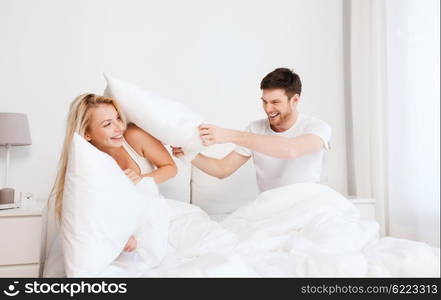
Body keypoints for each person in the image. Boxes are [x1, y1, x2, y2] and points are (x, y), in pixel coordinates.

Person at [50, 93, 177, 252]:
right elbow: (94, 207)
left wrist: (141, 179)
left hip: (153, 211)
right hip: (120, 219)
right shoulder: (89, 161)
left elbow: (170, 167)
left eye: (118, 118)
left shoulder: (134, 136)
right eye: (107, 124)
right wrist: (119, 233)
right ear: (87, 134)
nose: (119, 128)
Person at [172, 67, 331, 193]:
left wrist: (228, 135)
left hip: (307, 204)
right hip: (272, 208)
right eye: (265, 102)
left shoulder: (317, 128)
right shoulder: (255, 129)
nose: (268, 109)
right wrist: (190, 154)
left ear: (294, 100)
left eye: (275, 102)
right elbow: (223, 169)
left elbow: (290, 150)